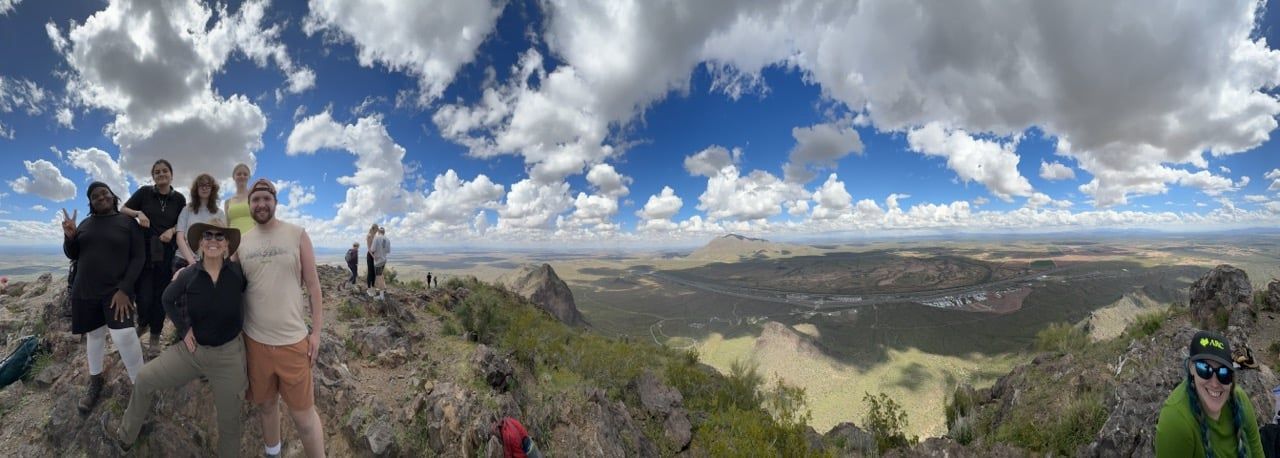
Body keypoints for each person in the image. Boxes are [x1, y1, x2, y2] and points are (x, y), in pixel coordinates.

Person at [102, 222, 247, 456]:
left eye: (219, 237)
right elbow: (167, 299)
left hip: (228, 356)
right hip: (193, 351)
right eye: (207, 235)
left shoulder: (238, 274)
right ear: (200, 243)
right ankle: (125, 438)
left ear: (227, 244)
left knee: (229, 424)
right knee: (145, 378)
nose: (213, 240)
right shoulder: (189, 275)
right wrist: (185, 328)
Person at [237, 179, 326, 457]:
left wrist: (316, 334)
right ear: (249, 204)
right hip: (255, 343)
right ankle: (273, 453)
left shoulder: (297, 234)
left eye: (266, 198)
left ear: (275, 202)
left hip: (292, 342)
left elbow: (313, 287)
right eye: (256, 199)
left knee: (303, 416)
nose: (261, 204)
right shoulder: (242, 243)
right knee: (265, 406)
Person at [61, 182, 146, 414]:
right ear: (91, 202)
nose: (101, 197)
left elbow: (139, 257)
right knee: (95, 336)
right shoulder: (86, 224)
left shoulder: (128, 223)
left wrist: (125, 289)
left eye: (104, 193)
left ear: (112, 196)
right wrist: (70, 237)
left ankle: (141, 387)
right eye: (95, 196)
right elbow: (74, 254)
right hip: (85, 291)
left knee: (126, 335)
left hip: (116, 292)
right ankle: (95, 382)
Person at [1156, 330, 1264, 457]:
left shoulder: (1239, 399)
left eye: (1223, 373)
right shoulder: (1176, 422)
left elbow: (1257, 452)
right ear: (1191, 367)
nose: (1214, 383)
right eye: (1204, 369)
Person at [122, 159, 186, 356]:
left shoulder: (179, 199)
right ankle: (142, 324)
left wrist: (173, 229)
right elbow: (123, 209)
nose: (161, 174)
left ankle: (155, 336)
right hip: (145, 252)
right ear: (153, 176)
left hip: (167, 255)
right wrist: (138, 212)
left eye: (164, 171)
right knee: (144, 295)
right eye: (157, 172)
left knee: (161, 296)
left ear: (171, 175)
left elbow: (184, 222)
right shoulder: (144, 193)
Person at [176, 174, 226, 268]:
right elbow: (180, 238)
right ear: (196, 189)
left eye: (208, 185)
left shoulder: (220, 213)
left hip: (209, 262)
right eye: (201, 185)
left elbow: (222, 240)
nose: (204, 188)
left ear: (212, 189)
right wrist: (191, 261)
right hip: (182, 260)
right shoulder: (187, 209)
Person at [224, 163, 254, 234]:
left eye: (245, 174)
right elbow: (227, 225)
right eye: (239, 174)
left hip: (253, 239)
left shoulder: (254, 197)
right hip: (233, 241)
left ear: (249, 177)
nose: (242, 176)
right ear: (233, 177)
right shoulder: (227, 202)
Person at [369, 227, 390, 300]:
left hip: (378, 261)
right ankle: (383, 290)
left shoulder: (377, 238)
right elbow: (387, 251)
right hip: (384, 260)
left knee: (378, 278)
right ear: (384, 232)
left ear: (378, 232)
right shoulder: (387, 239)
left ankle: (381, 296)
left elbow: (372, 249)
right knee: (381, 275)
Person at [364, 224, 377, 291]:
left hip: (374, 255)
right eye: (376, 230)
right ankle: (369, 288)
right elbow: (369, 248)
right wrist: (373, 256)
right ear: (374, 229)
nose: (377, 231)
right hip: (370, 255)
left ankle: (373, 286)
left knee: (374, 272)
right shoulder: (369, 236)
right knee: (370, 271)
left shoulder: (374, 236)